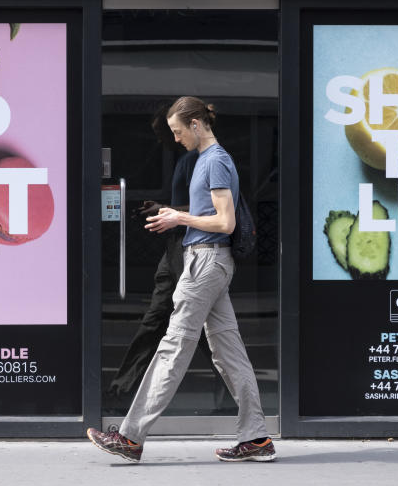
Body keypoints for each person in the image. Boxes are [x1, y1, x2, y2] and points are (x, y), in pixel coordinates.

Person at [87, 96, 275, 463]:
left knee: (173, 347)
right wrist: (172, 213)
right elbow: (210, 212)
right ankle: (256, 439)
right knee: (229, 355)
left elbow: (225, 223)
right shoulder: (208, 161)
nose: (175, 139)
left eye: (177, 131)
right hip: (208, 262)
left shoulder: (216, 161)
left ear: (195, 124)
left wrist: (179, 219)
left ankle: (130, 436)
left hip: (205, 263)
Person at [106, 104, 216, 400]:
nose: (163, 140)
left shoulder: (203, 161)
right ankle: (120, 390)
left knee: (201, 325)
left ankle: (235, 392)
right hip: (176, 247)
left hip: (193, 249)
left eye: (167, 133)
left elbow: (212, 211)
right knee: (159, 319)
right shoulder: (185, 160)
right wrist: (161, 208)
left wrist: (165, 210)